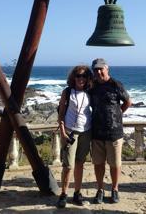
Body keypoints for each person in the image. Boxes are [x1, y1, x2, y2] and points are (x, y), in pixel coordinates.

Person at [90, 58, 132, 204]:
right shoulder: (92, 86)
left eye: (101, 69)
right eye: (96, 70)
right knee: (98, 163)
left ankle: (115, 189)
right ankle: (100, 189)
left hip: (114, 132)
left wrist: (118, 113)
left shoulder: (116, 85)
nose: (99, 72)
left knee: (114, 163)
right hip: (96, 132)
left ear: (107, 69)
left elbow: (128, 101)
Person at [56, 65, 93, 208]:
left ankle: (77, 193)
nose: (81, 79)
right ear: (73, 77)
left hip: (86, 131)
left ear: (88, 78)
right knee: (68, 165)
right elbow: (61, 112)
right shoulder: (67, 92)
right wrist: (63, 132)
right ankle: (64, 194)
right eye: (78, 76)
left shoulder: (90, 92)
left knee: (80, 163)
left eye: (84, 76)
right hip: (70, 131)